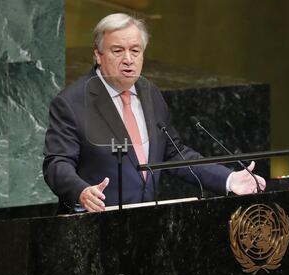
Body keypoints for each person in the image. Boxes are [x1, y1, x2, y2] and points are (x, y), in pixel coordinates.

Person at [43, 13, 266, 214]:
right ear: (98, 55)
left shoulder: (150, 93)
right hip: (95, 228)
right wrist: (81, 191)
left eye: (135, 51)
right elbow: (57, 163)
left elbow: (175, 154)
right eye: (118, 51)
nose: (128, 59)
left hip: (147, 228)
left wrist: (229, 179)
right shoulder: (71, 103)